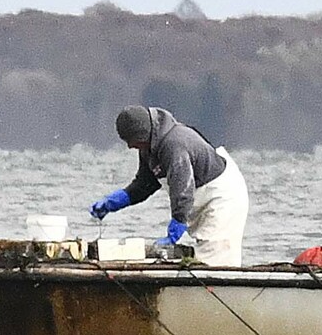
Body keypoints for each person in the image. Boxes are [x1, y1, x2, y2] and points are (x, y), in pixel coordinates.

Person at [89, 105, 249, 266]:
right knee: (202, 257)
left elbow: (183, 189)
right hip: (200, 198)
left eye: (133, 141)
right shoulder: (149, 147)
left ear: (143, 135)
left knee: (215, 258)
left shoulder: (174, 145)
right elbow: (145, 184)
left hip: (222, 197)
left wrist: (177, 224)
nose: (130, 146)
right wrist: (114, 202)